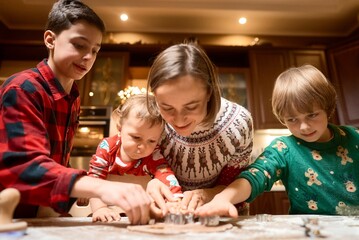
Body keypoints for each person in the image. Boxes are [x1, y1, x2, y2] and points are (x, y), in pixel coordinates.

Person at [0, 0, 151, 225]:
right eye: (79, 45)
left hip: (33, 217)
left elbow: (51, 157)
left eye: (95, 50)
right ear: (50, 39)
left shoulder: (72, 95)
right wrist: (96, 186)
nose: (89, 57)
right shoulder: (23, 88)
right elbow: (24, 166)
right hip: (7, 215)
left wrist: (75, 185)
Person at [195, 64, 359, 218]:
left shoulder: (354, 137)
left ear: (327, 107)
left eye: (312, 115)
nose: (303, 126)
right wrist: (224, 198)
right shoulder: (284, 148)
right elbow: (255, 176)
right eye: (292, 119)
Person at [145, 42, 254, 218]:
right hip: (164, 217)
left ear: (209, 93)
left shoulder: (238, 123)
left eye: (191, 107)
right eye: (167, 108)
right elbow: (128, 167)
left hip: (222, 219)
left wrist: (204, 195)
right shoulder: (148, 120)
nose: (179, 120)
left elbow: (238, 187)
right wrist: (147, 184)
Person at [87, 94, 182, 222]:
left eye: (151, 141)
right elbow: (94, 179)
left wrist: (174, 201)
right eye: (136, 137)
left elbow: (166, 176)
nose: (143, 146)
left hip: (139, 214)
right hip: (108, 212)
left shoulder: (153, 153)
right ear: (120, 129)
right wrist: (99, 209)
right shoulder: (107, 148)